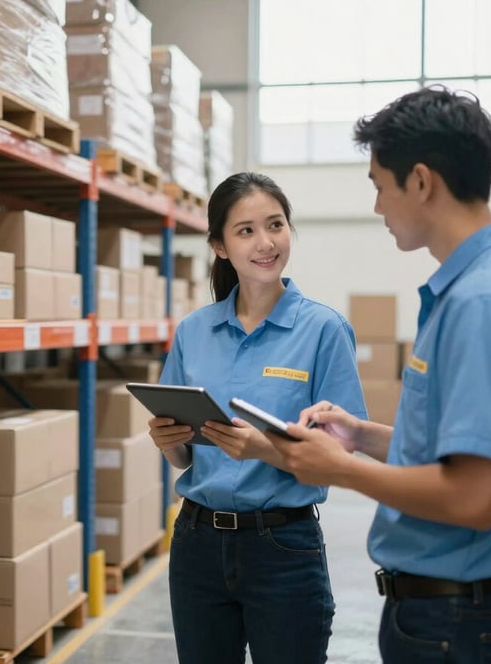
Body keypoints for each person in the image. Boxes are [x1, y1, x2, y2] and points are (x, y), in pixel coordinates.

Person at [270, 86, 491, 663]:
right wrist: (363, 438)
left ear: (420, 182)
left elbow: (473, 496)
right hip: (458, 616)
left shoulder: (484, 301)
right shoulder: (481, 286)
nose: (376, 206)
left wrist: (339, 470)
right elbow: (467, 454)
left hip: (461, 625)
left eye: (378, 185)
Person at [148, 171, 368, 664]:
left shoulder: (323, 330)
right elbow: (185, 460)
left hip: (284, 547)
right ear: (220, 246)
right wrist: (167, 439)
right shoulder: (194, 331)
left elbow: (343, 456)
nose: (266, 243)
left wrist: (262, 449)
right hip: (197, 544)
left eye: (276, 225)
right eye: (246, 230)